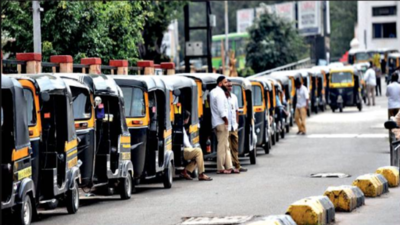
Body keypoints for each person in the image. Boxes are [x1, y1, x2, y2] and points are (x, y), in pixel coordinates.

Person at [209, 76, 238, 174]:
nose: (227, 84)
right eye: (225, 82)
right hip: (221, 122)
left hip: (216, 122)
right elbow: (222, 111)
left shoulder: (213, 92)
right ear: (220, 83)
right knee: (222, 146)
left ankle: (229, 166)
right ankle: (220, 167)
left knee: (226, 145)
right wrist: (226, 121)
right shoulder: (220, 94)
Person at [180, 110, 212, 181]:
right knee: (199, 151)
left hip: (183, 149)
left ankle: (185, 171)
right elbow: (186, 143)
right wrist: (192, 148)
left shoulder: (181, 127)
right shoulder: (182, 129)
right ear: (186, 119)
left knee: (197, 156)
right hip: (184, 150)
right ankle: (201, 174)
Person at [225, 80, 247, 172]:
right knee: (227, 148)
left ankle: (237, 165)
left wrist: (237, 123)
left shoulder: (234, 97)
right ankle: (229, 166)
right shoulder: (223, 98)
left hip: (234, 126)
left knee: (235, 147)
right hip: (226, 126)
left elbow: (237, 111)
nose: (230, 87)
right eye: (228, 86)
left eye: (231, 86)